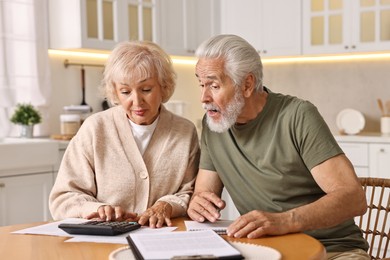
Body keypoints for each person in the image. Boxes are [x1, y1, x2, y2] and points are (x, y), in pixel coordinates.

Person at [187, 34, 370, 259]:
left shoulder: (297, 116)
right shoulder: (214, 125)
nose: (203, 97)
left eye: (213, 85)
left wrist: (282, 221)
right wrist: (199, 203)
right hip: (265, 250)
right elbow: (205, 193)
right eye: (201, 84)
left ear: (247, 85)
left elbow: (353, 198)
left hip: (333, 249)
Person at [49, 41, 200, 228]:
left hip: (163, 238)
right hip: (104, 241)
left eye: (146, 89)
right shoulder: (95, 129)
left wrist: (166, 205)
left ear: (164, 86)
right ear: (115, 92)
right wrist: (96, 208)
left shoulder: (185, 131)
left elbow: (190, 192)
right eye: (125, 91)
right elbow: (63, 197)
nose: (137, 101)